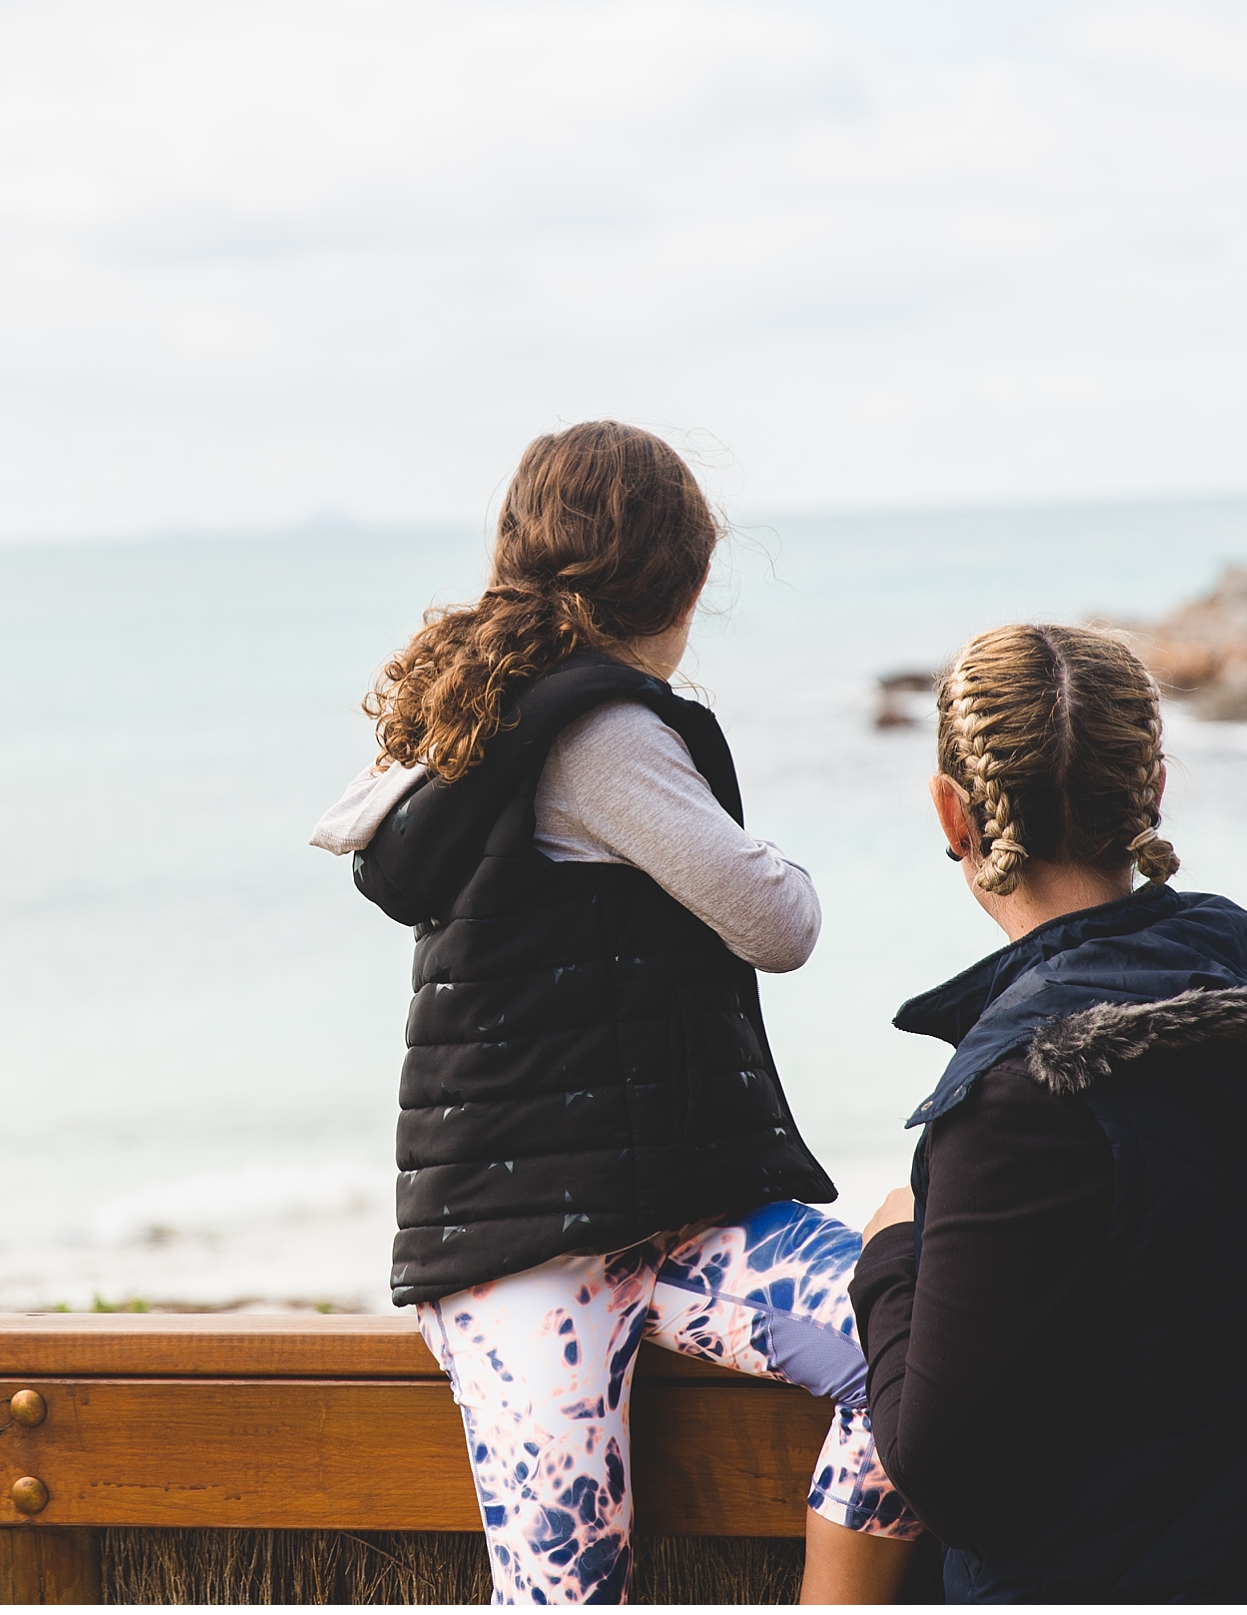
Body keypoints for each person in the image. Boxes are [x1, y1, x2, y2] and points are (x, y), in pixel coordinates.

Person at [310, 421, 920, 1605]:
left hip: (655, 1220)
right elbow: (780, 922)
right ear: (684, 584)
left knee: (915, 1362)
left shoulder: (473, 724)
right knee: (569, 1591)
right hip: (526, 1251)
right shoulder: (604, 736)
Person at [849, 623, 1247, 1602]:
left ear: (953, 812)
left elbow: (951, 1479)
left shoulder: (1027, 1096)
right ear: (1149, 791)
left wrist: (892, 1254)